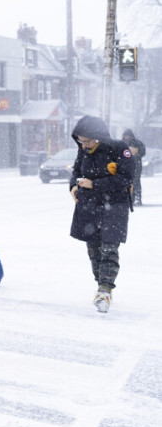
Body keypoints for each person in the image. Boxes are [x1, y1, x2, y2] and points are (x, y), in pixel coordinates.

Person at [70, 116, 134, 313]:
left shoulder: (118, 149)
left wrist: (95, 184)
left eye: (87, 141)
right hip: (89, 207)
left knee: (109, 249)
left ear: (97, 137)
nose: (84, 145)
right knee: (94, 251)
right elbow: (75, 171)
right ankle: (101, 284)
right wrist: (73, 186)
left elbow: (126, 178)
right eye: (81, 141)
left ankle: (105, 290)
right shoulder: (84, 151)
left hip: (113, 208)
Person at [121, 129, 146, 206]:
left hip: (136, 166)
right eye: (125, 136)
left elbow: (142, 152)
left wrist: (135, 156)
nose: (127, 137)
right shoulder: (121, 144)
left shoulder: (138, 143)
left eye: (128, 135)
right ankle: (129, 198)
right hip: (124, 166)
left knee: (136, 181)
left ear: (131, 136)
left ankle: (137, 198)